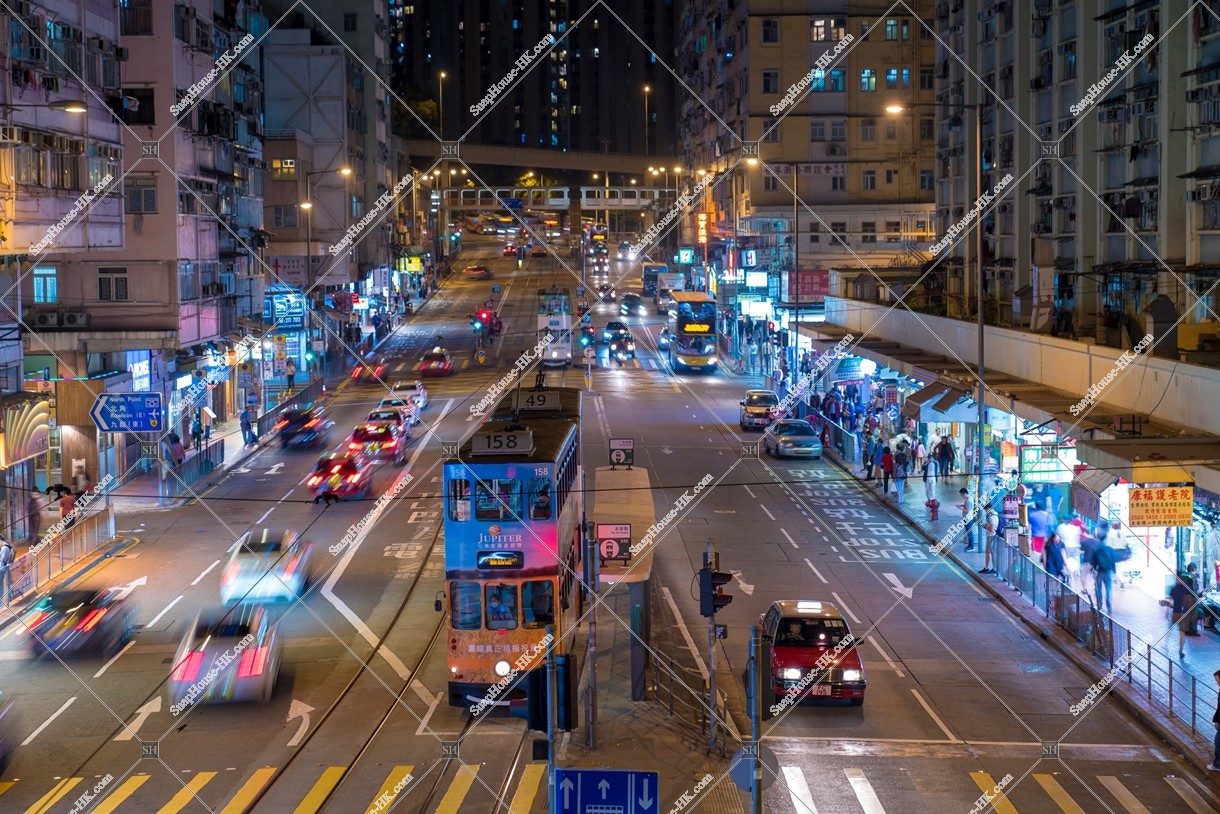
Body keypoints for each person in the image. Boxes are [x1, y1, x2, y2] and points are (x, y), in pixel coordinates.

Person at [1171, 571, 1196, 658]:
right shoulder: (1186, 590)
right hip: (1183, 614)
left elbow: (1171, 602)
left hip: (1175, 613)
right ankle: (1180, 650)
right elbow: (1189, 603)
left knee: (1179, 631)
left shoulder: (1173, 589)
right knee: (1182, 633)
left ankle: (1168, 643)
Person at [1090, 541, 1116, 615]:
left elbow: (1094, 562)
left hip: (1100, 572)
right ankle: (1108, 604)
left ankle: (1100, 604)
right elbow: (1113, 560)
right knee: (1108, 588)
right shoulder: (1109, 549)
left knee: (1099, 588)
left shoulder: (1096, 550)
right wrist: (1114, 570)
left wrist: (1095, 568)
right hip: (1108, 571)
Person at [981, 504, 999, 574]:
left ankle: (992, 568)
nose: (986, 511)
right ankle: (987, 567)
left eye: (986, 510)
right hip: (992, 536)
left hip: (991, 536)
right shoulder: (995, 514)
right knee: (989, 552)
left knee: (990, 552)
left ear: (989, 508)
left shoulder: (992, 517)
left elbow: (991, 529)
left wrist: (984, 526)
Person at [0, 536, 12, 603]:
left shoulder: (4, 548)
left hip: (2, 569)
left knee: (0, 586)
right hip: (3, 568)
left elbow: (3, 559)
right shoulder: (6, 547)